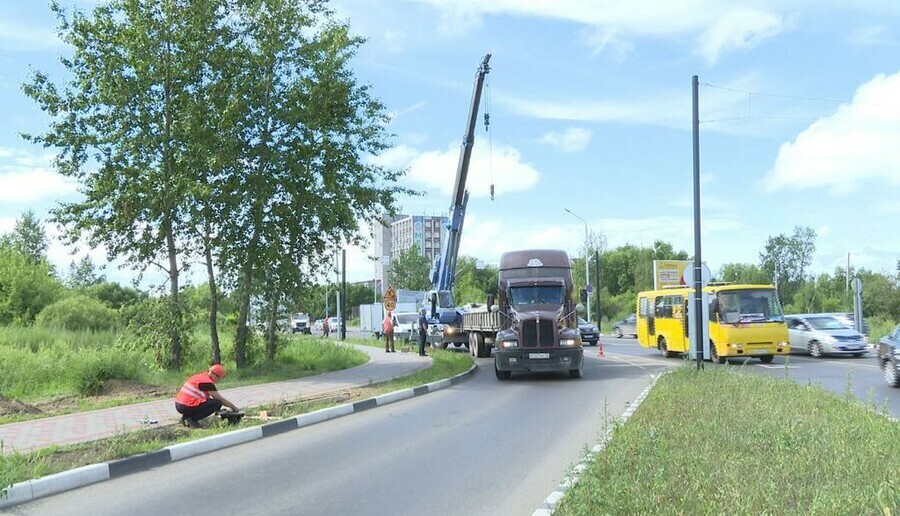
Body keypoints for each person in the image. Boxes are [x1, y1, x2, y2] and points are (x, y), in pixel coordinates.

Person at [174, 364, 239, 428]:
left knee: (210, 402)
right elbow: (219, 399)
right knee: (217, 403)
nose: (218, 381)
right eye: (219, 378)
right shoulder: (207, 382)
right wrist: (234, 408)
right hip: (186, 405)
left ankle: (185, 418)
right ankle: (191, 419)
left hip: (179, 404)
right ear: (216, 376)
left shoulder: (201, 377)